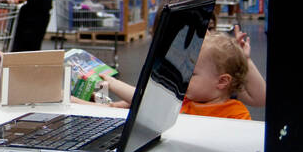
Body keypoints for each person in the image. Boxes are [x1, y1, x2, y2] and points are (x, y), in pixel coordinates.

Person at [97, 31, 261, 120]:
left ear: (222, 81)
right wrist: (110, 82)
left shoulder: (235, 115)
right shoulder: (185, 101)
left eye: (192, 74)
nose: (182, 78)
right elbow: (145, 98)